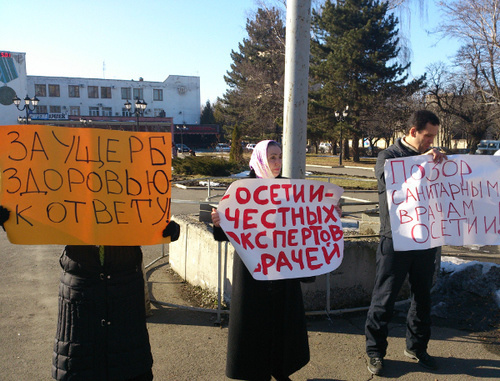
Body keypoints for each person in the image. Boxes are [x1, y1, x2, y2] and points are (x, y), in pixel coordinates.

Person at [0, 205, 180, 381]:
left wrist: (163, 229)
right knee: (81, 367)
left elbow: (146, 209)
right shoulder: (68, 193)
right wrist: (13, 221)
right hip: (79, 305)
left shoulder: (129, 189)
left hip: (125, 301)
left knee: (129, 369)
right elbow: (40, 203)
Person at [211, 140, 310, 381]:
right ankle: (256, 372)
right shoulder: (242, 189)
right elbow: (227, 232)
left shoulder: (288, 187)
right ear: (259, 160)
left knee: (282, 321)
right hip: (251, 269)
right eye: (271, 158)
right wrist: (218, 221)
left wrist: (328, 212)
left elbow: (306, 221)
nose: (276, 163)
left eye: (278, 157)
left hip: (283, 269)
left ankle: (281, 368)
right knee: (255, 322)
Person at [365, 110, 447, 376]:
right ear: (413, 131)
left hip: (426, 240)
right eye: (428, 136)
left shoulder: (433, 157)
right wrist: (421, 161)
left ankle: (416, 346)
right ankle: (375, 352)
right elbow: (391, 183)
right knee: (384, 299)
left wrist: (442, 163)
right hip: (395, 240)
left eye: (434, 137)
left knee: (422, 297)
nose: (431, 142)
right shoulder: (388, 156)